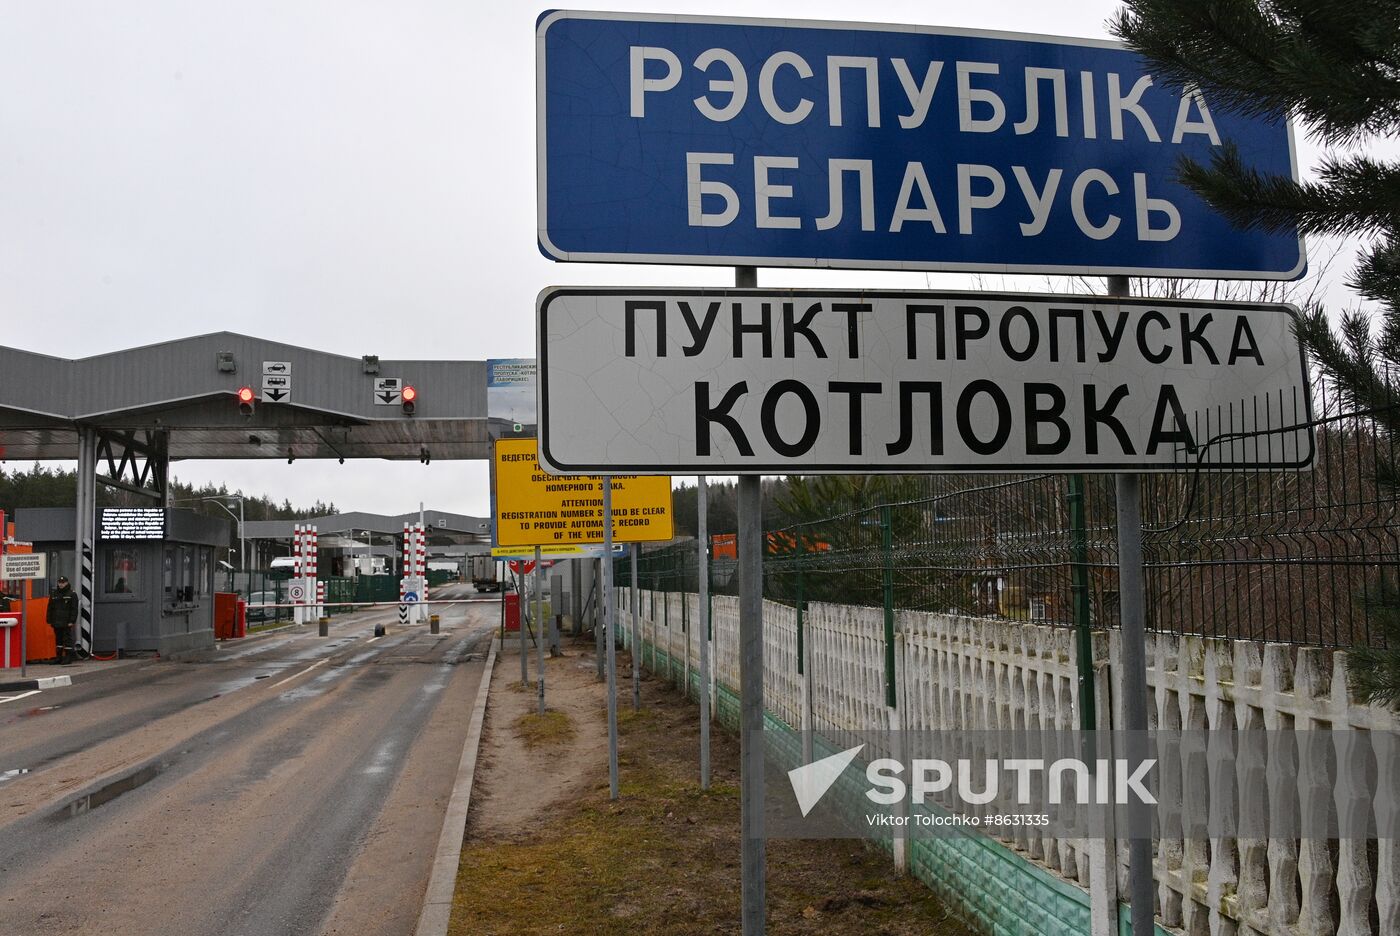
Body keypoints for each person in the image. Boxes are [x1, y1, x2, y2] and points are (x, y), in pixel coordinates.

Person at [47, 575, 79, 665]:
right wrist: (49, 619)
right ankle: (59, 657)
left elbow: (74, 609)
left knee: (67, 640)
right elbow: (50, 608)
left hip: (66, 622)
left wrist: (72, 621)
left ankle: (68, 657)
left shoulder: (71, 594)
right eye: (60, 583)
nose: (61, 584)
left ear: (67, 583)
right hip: (56, 621)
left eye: (63, 583)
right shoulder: (54, 594)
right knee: (58, 640)